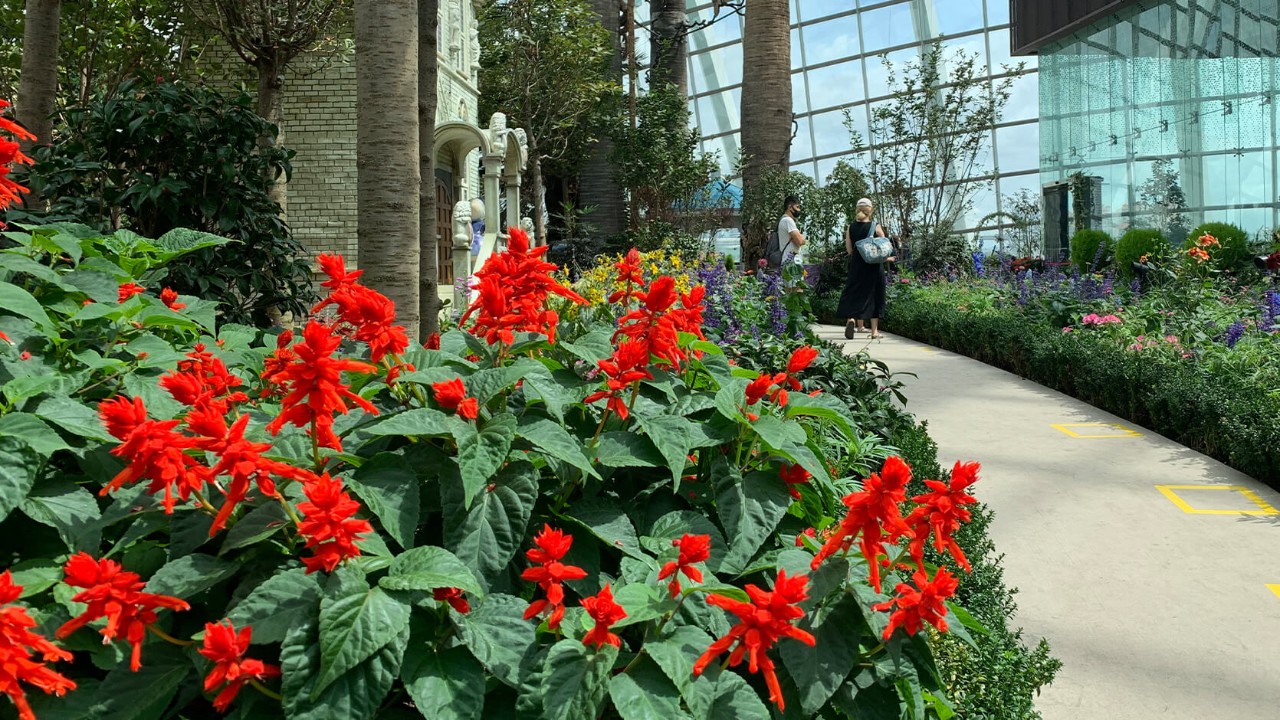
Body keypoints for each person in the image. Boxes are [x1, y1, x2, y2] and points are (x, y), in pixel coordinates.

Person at [838, 198, 895, 340]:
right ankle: (874, 331)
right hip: (874, 266)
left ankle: (851, 319)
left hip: (857, 265)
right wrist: (888, 258)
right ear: (871, 210)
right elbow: (885, 247)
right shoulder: (875, 226)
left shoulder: (851, 227)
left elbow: (849, 250)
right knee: (875, 295)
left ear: (857, 210)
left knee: (855, 292)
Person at [777, 195, 806, 265]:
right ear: (790, 207)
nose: (799, 210)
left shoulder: (783, 220)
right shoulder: (788, 221)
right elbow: (800, 241)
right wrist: (801, 238)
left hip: (789, 262)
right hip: (791, 264)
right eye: (797, 207)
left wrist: (796, 237)